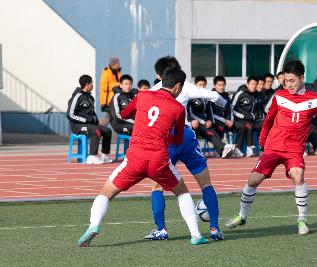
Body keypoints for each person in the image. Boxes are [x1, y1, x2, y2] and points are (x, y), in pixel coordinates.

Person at [226, 60, 317, 235]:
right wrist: (262, 141)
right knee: (252, 181)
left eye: (292, 80)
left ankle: (302, 220)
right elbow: (268, 120)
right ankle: (241, 216)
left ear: (302, 78)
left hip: (295, 149)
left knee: (298, 176)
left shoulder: (315, 100)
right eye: (285, 81)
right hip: (273, 147)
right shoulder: (279, 96)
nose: (288, 84)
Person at [78, 67, 209, 247]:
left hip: (135, 158)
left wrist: (142, 117)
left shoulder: (143, 96)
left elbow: (123, 114)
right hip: (159, 160)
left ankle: (93, 226)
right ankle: (195, 235)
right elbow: (178, 139)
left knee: (106, 193)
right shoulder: (178, 108)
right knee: (182, 192)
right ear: (177, 86)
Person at [146, 56, 227, 241]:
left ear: (159, 75)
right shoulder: (186, 86)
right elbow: (214, 96)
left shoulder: (152, 91)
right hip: (187, 137)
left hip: (165, 141)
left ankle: (161, 229)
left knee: (157, 186)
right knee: (206, 183)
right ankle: (214, 228)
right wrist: (223, 104)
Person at [67, 75, 112, 164]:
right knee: (96, 130)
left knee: (107, 130)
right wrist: (86, 120)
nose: (93, 85)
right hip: (77, 126)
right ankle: (92, 156)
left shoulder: (90, 98)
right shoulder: (77, 96)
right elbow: (70, 114)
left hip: (89, 125)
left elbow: (92, 113)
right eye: (92, 83)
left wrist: (95, 120)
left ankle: (105, 155)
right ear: (87, 85)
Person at [187, 76, 235, 158]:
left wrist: (210, 121)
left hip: (206, 123)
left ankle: (222, 151)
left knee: (214, 131)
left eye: (204, 85)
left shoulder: (206, 97)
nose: (202, 87)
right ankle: (225, 147)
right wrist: (203, 122)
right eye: (200, 85)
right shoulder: (191, 97)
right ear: (195, 85)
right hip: (195, 123)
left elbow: (210, 111)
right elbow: (191, 113)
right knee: (211, 133)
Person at [231, 76, 258, 157]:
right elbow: (232, 108)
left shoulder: (255, 95)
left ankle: (257, 148)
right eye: (252, 84)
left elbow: (256, 110)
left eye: (255, 84)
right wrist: (243, 116)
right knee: (247, 126)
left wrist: (255, 116)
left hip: (250, 119)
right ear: (247, 84)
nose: (254, 86)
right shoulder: (240, 93)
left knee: (254, 125)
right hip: (237, 118)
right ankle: (239, 148)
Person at [99, 57, 122, 126]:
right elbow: (104, 87)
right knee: (112, 119)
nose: (119, 64)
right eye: (118, 63)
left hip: (116, 100)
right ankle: (95, 130)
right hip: (108, 101)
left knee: (113, 119)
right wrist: (116, 84)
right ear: (114, 64)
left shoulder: (118, 72)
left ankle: (96, 129)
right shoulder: (106, 73)